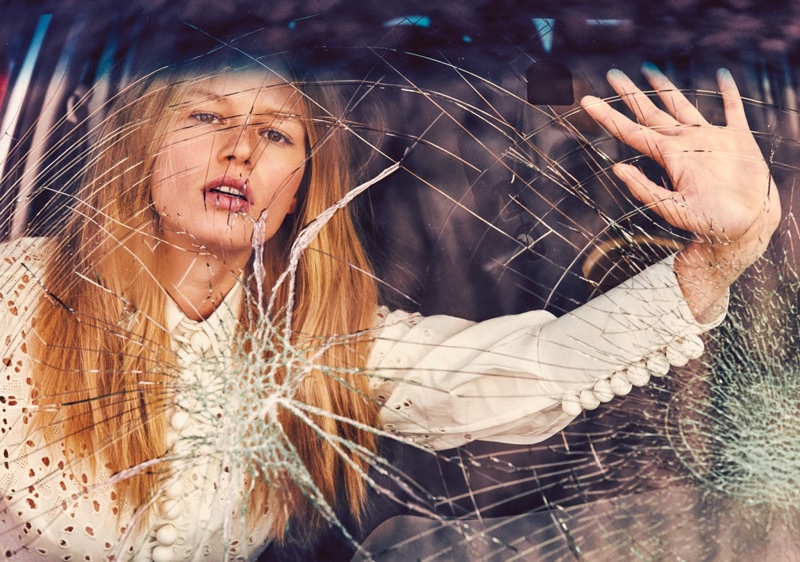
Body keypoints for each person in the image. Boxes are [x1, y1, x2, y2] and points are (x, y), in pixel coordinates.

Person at [0, 55, 779, 561]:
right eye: (205, 118)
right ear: (140, 148)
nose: (238, 149)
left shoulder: (317, 345)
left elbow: (531, 369)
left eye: (274, 133)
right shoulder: (15, 298)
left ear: (301, 186)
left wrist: (718, 257)